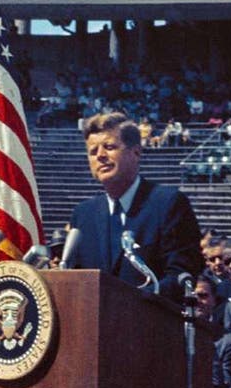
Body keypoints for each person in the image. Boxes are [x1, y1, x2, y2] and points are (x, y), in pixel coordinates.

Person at [69, 112, 203, 303]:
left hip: (150, 325)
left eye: (109, 147)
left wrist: (130, 302)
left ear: (136, 152)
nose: (100, 156)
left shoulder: (168, 203)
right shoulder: (83, 215)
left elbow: (182, 275)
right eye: (93, 151)